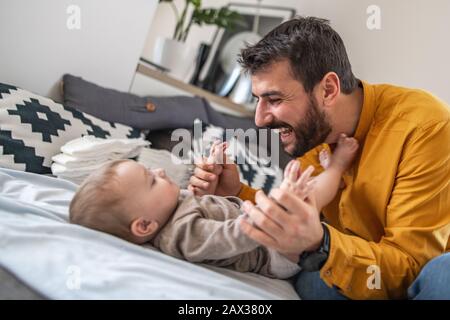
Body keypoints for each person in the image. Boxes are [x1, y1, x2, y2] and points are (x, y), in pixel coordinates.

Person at [188, 16, 450, 299]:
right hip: (343, 270)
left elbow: (412, 268)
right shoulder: (313, 137)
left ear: (328, 90)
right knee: (313, 276)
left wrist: (320, 244)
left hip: (418, 283)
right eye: (258, 99)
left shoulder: (425, 127)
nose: (260, 119)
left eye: (274, 100)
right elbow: (294, 215)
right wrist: (236, 192)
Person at [69, 135, 358, 280]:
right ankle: (338, 166)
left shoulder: (169, 207)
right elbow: (225, 237)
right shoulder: (180, 235)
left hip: (264, 231)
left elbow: (206, 206)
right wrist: (269, 213)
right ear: (144, 225)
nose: (159, 173)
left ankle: (330, 179)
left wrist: (211, 180)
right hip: (272, 253)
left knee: (303, 195)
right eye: (151, 181)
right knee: (307, 198)